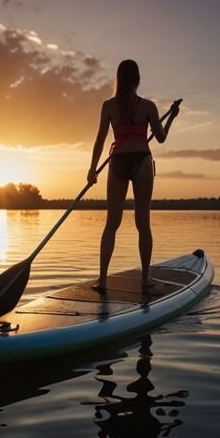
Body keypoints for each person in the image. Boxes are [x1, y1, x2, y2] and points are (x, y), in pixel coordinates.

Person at [87, 60, 179, 292]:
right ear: (138, 80)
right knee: (143, 223)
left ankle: (103, 280)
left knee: (111, 224)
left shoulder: (108, 106)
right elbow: (161, 138)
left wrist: (92, 170)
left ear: (117, 79)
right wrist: (172, 117)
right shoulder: (148, 106)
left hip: (117, 162)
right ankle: (145, 279)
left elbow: (100, 139)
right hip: (141, 161)